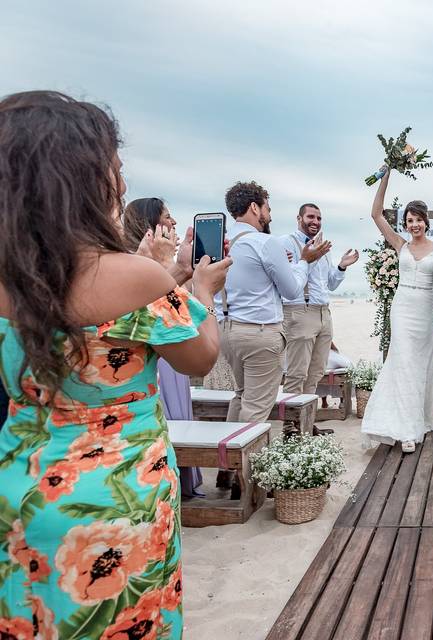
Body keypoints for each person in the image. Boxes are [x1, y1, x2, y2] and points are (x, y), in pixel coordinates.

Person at [0, 90, 230, 639]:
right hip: (119, 497)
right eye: (115, 167)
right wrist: (201, 290)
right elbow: (199, 356)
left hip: (22, 489)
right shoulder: (136, 278)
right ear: (83, 177)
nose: (121, 182)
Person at [218, 181, 326, 424]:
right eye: (267, 207)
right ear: (255, 208)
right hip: (259, 333)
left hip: (226, 329)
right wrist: (303, 262)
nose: (269, 214)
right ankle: (247, 460)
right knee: (256, 406)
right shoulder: (265, 242)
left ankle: (228, 458)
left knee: (242, 395)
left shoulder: (224, 241)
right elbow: (291, 290)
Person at [361, 168, 433, 452]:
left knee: (420, 364)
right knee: (402, 363)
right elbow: (376, 214)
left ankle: (418, 420)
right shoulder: (399, 244)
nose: (414, 225)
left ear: (426, 222)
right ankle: (405, 430)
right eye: (409, 221)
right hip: (401, 308)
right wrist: (386, 176)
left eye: (418, 220)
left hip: (426, 310)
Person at [122, 197, 206, 498]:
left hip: (173, 336)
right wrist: (181, 274)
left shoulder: (159, 261)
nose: (172, 222)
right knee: (168, 409)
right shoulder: (135, 262)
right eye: (167, 217)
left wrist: (182, 269)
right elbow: (151, 305)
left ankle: (186, 480)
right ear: (150, 224)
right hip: (160, 344)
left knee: (179, 405)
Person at [280, 203, 359, 400]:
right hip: (300, 310)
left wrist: (341, 266)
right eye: (310, 217)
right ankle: (291, 426)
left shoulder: (324, 246)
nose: (315, 221)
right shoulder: (285, 243)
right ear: (299, 219)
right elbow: (287, 280)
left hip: (324, 313)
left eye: (319, 218)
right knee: (297, 373)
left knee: (316, 373)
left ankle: (305, 421)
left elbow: (330, 284)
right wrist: (308, 258)